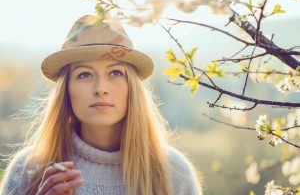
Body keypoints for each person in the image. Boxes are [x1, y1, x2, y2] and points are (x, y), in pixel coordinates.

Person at [0, 15, 203, 195]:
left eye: (115, 73)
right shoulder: (28, 170)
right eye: (84, 74)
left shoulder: (173, 172)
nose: (101, 89)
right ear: (66, 91)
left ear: (132, 87)